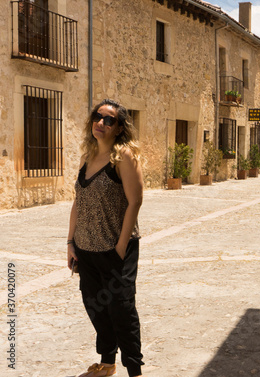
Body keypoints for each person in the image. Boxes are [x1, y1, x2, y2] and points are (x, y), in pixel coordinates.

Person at [67, 99, 145, 377]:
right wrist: (70, 243)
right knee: (96, 308)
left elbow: (135, 202)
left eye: (108, 119)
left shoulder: (124, 156)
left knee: (122, 311)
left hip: (115, 250)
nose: (100, 123)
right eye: (97, 117)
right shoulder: (87, 157)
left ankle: (134, 371)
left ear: (119, 127)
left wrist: (121, 247)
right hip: (86, 250)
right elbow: (79, 201)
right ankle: (107, 363)